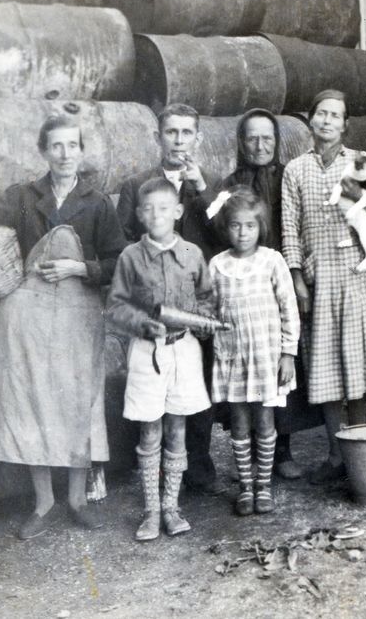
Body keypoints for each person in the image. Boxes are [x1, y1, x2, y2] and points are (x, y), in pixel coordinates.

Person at [0, 114, 126, 539]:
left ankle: (76, 499)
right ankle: (43, 502)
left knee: (79, 403)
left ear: (81, 151)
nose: (64, 154)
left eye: (72, 146)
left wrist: (82, 266)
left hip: (79, 314)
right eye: (56, 146)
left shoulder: (97, 202)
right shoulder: (23, 195)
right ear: (43, 151)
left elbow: (119, 260)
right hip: (28, 316)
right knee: (33, 403)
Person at [282, 89, 366, 485]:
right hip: (321, 278)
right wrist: (297, 278)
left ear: (346, 125)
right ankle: (335, 454)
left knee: (360, 360)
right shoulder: (295, 170)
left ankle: (360, 447)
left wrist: (363, 202)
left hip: (358, 274)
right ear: (311, 120)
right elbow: (290, 231)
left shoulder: (360, 163)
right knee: (326, 364)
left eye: (336, 115)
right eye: (322, 114)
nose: (328, 121)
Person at [116, 103, 223, 496]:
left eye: (186, 133)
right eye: (171, 132)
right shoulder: (136, 185)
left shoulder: (209, 184)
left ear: (198, 137)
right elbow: (123, 239)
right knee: (152, 383)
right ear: (157, 137)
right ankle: (155, 472)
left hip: (196, 301)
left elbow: (224, 238)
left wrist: (201, 189)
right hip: (153, 304)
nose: (179, 141)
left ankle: (196, 467)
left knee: (197, 385)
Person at [106, 177, 215, 541]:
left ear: (178, 212)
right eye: (148, 209)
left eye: (164, 208)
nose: (156, 215)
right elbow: (116, 306)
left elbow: (206, 298)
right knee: (150, 430)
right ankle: (151, 511)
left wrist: (201, 320)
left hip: (183, 350)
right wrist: (142, 324)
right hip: (146, 352)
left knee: (176, 429)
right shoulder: (130, 257)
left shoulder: (192, 255)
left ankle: (172, 507)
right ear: (138, 214)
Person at [223, 108, 311, 479]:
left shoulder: (288, 175)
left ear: (276, 142)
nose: (260, 146)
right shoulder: (229, 183)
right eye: (252, 138)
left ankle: (283, 450)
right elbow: (216, 222)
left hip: (279, 277)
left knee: (282, 365)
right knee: (247, 370)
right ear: (242, 143)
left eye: (267, 138)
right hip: (247, 283)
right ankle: (250, 456)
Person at [208, 186, 300, 515]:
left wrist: (288, 353)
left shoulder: (272, 261)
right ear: (225, 227)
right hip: (233, 358)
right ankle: (245, 487)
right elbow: (210, 308)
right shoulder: (217, 265)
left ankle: (263, 486)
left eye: (250, 225)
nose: (243, 232)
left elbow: (289, 308)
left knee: (265, 421)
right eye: (235, 225)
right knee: (239, 422)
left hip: (266, 358)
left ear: (260, 226)